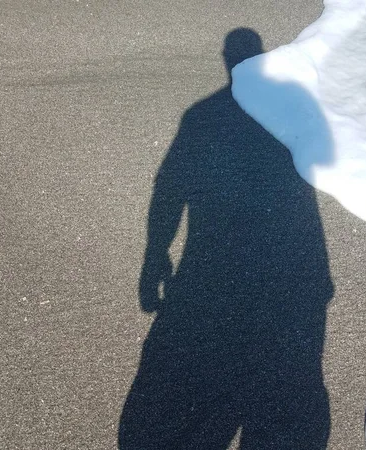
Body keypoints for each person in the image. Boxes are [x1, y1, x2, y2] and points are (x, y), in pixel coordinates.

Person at [119, 28, 333, 449]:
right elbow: (328, 160)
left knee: (210, 379)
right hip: (291, 269)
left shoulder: (203, 114)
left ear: (228, 62)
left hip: (214, 267)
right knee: (288, 381)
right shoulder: (290, 107)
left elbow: (169, 184)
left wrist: (156, 252)